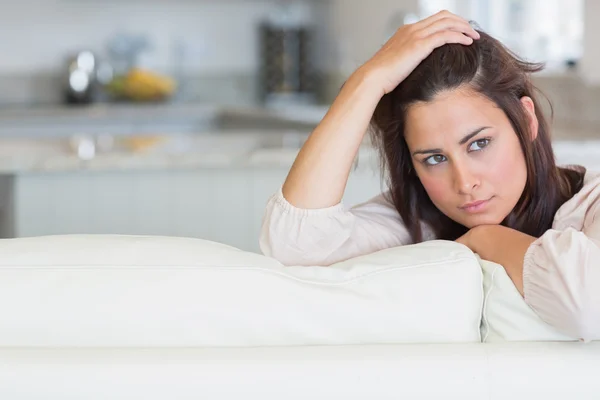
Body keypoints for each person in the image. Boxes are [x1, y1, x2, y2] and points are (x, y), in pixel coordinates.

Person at [259, 10, 599, 341]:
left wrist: (488, 238)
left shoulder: (592, 203)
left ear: (526, 120)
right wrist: (367, 80)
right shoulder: (415, 218)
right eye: (434, 158)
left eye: (479, 143)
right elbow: (296, 245)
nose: (464, 183)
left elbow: (587, 305)